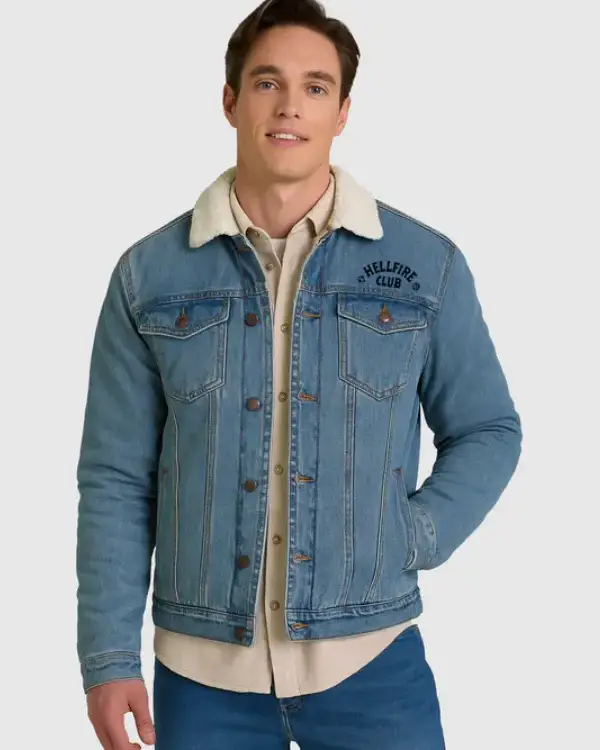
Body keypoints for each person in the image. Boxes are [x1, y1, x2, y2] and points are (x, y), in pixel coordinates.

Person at [76, 0, 522, 747]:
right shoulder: (148, 276)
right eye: (267, 83)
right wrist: (108, 657)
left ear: (342, 111)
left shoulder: (425, 265)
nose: (290, 107)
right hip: (201, 678)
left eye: (316, 87)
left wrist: (413, 535)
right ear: (230, 100)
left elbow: (487, 429)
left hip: (373, 663)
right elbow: (116, 476)